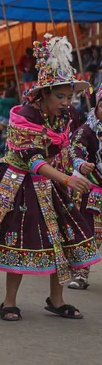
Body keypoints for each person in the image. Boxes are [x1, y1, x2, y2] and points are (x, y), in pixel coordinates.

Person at [0, 34, 100, 321]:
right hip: (18, 183)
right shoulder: (26, 114)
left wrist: (73, 169)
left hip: (49, 183)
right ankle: (9, 301)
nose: (66, 102)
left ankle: (57, 299)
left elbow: (62, 149)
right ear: (43, 95)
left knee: (59, 239)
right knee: (19, 240)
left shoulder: (61, 116)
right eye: (60, 96)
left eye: (69, 96)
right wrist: (66, 179)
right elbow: (33, 159)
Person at [67, 87, 102, 289]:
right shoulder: (86, 131)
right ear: (97, 107)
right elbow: (75, 149)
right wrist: (81, 163)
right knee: (90, 233)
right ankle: (81, 273)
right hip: (92, 188)